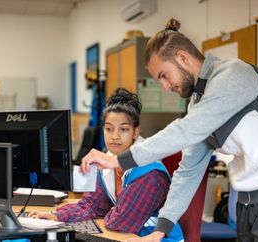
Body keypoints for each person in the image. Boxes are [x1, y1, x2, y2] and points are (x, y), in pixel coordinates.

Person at [81, 18, 258, 242]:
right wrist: (160, 231)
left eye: (164, 75)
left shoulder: (234, 75)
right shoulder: (198, 102)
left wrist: (119, 160)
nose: (164, 86)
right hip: (247, 203)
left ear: (182, 57)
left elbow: (186, 130)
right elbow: (188, 171)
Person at [30, 88, 183, 241]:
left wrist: (111, 211)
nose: (114, 136)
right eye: (109, 129)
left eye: (123, 129)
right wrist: (56, 216)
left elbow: (122, 223)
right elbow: (91, 206)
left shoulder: (149, 173)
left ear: (135, 132)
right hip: (126, 237)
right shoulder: (107, 162)